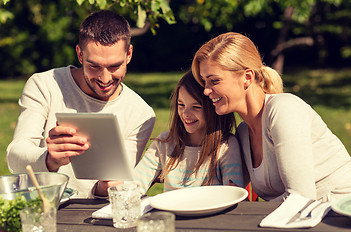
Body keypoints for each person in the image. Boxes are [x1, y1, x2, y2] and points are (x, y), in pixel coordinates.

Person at [6, 10, 155, 198]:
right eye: (94, 66)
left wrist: (106, 187)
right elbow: (14, 158)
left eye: (114, 66)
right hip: (42, 207)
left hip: (93, 217)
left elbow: (111, 190)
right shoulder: (44, 85)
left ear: (129, 54)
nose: (105, 78)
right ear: (80, 54)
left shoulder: (140, 114)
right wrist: (49, 159)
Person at [191, 32, 351, 202]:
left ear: (247, 77)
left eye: (214, 81)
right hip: (300, 221)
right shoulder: (244, 133)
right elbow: (231, 192)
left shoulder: (283, 110)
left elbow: (301, 198)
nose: (206, 91)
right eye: (204, 82)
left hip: (340, 218)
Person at [133, 71, 244, 195]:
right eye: (181, 105)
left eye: (196, 107)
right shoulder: (165, 143)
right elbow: (133, 187)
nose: (185, 113)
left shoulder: (226, 147)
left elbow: (232, 195)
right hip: (171, 213)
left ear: (213, 108)